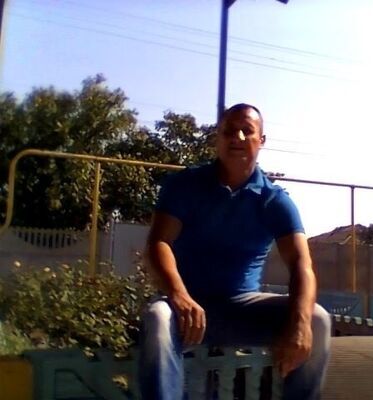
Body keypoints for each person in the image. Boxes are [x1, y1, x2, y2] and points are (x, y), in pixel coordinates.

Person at [139, 103, 331, 400]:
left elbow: (301, 264)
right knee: (157, 316)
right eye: (229, 130)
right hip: (188, 308)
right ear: (218, 137)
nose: (237, 137)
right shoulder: (185, 185)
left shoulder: (274, 201)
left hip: (244, 309)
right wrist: (178, 294)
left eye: (247, 131)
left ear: (261, 140)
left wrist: (300, 324)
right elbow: (158, 243)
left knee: (317, 320)